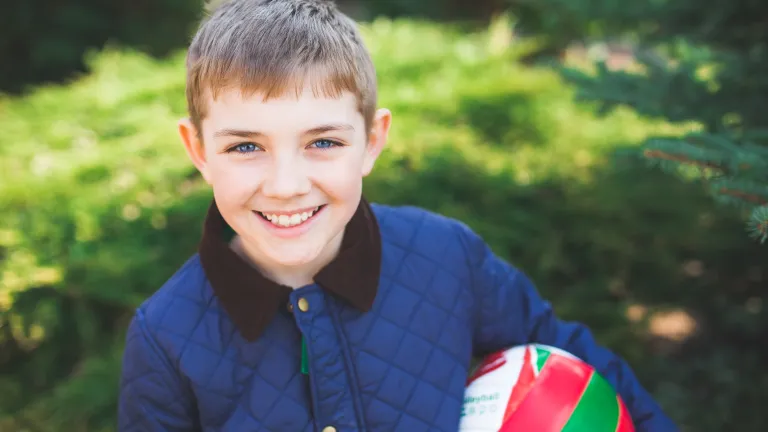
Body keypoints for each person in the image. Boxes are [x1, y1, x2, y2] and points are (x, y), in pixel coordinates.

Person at [117, 0, 678, 430]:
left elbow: (580, 364)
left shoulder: (446, 256)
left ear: (371, 140)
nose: (286, 185)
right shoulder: (166, 335)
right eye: (246, 147)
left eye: (323, 143)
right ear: (198, 151)